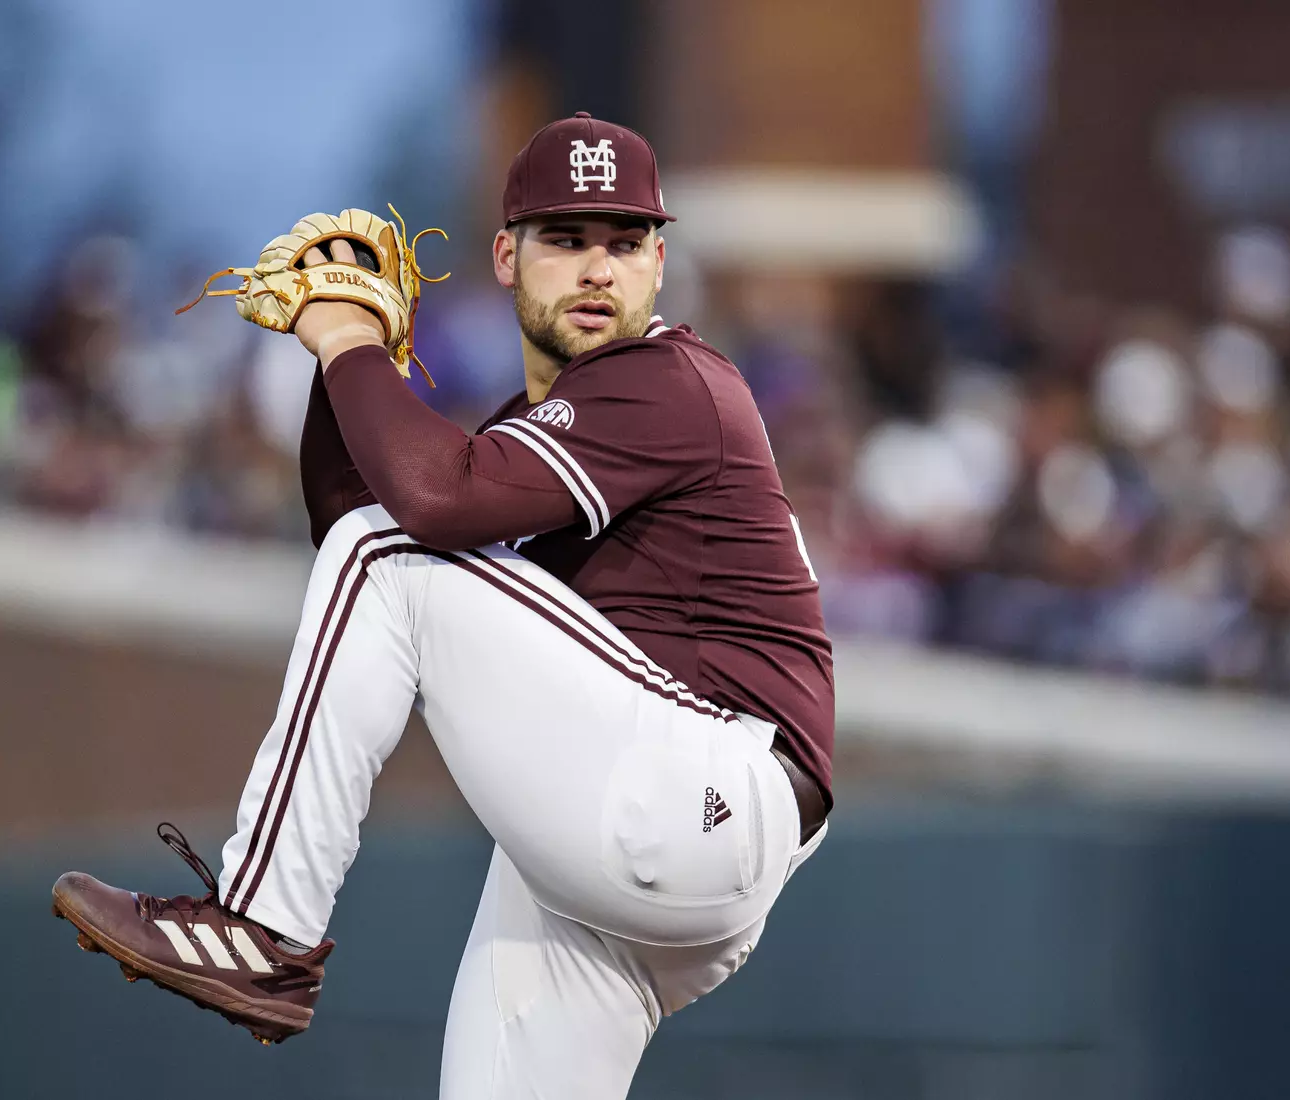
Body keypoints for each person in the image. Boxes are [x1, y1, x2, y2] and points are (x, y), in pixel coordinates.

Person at [50, 112, 833, 1099]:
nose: (598, 268)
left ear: (659, 263)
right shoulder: (553, 426)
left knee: (388, 555)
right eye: (566, 238)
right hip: (637, 848)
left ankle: (263, 926)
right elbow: (360, 516)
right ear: (507, 256)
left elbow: (409, 522)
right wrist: (351, 352)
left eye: (624, 241)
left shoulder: (670, 382)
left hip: (703, 792)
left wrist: (343, 341)